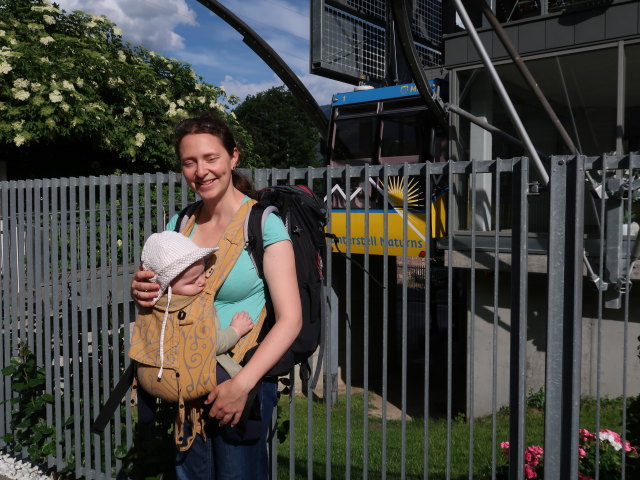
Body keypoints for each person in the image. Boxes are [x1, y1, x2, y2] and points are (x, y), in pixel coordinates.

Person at [130, 112, 302, 479]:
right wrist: (142, 289)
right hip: (185, 381)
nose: (201, 171)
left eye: (211, 158)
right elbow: (161, 298)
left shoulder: (263, 224)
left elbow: (291, 320)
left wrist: (242, 385)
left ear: (233, 157)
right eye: (189, 162)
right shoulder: (179, 225)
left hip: (240, 378)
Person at [129, 230, 254, 406]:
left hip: (151, 376)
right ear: (168, 286)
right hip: (194, 377)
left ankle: (145, 414)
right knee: (237, 384)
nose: (202, 281)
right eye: (191, 281)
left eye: (203, 272)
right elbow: (211, 343)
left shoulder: (155, 304)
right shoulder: (193, 306)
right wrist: (235, 330)